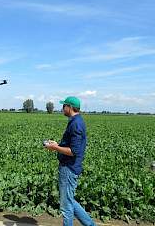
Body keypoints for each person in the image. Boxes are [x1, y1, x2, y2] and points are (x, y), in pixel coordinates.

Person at [45, 96, 96, 226]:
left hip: (69, 168)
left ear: (70, 107)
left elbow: (74, 151)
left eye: (64, 106)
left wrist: (55, 147)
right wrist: (57, 144)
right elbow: (71, 146)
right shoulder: (75, 121)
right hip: (69, 167)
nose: (62, 108)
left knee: (66, 207)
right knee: (69, 200)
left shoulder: (76, 124)